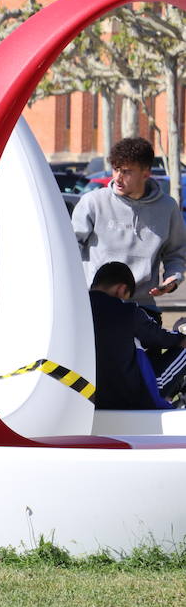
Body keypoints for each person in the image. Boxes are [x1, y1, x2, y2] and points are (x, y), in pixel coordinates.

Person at [73, 136, 186, 315]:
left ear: (146, 173)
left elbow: (176, 254)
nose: (118, 177)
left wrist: (173, 279)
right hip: (95, 306)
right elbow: (70, 249)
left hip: (142, 308)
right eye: (116, 169)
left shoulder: (167, 208)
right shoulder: (93, 202)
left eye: (126, 171)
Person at [87, 261, 186, 408]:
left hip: (89, 394)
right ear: (121, 289)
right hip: (132, 395)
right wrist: (179, 330)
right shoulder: (127, 311)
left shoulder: (76, 308)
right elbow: (160, 338)